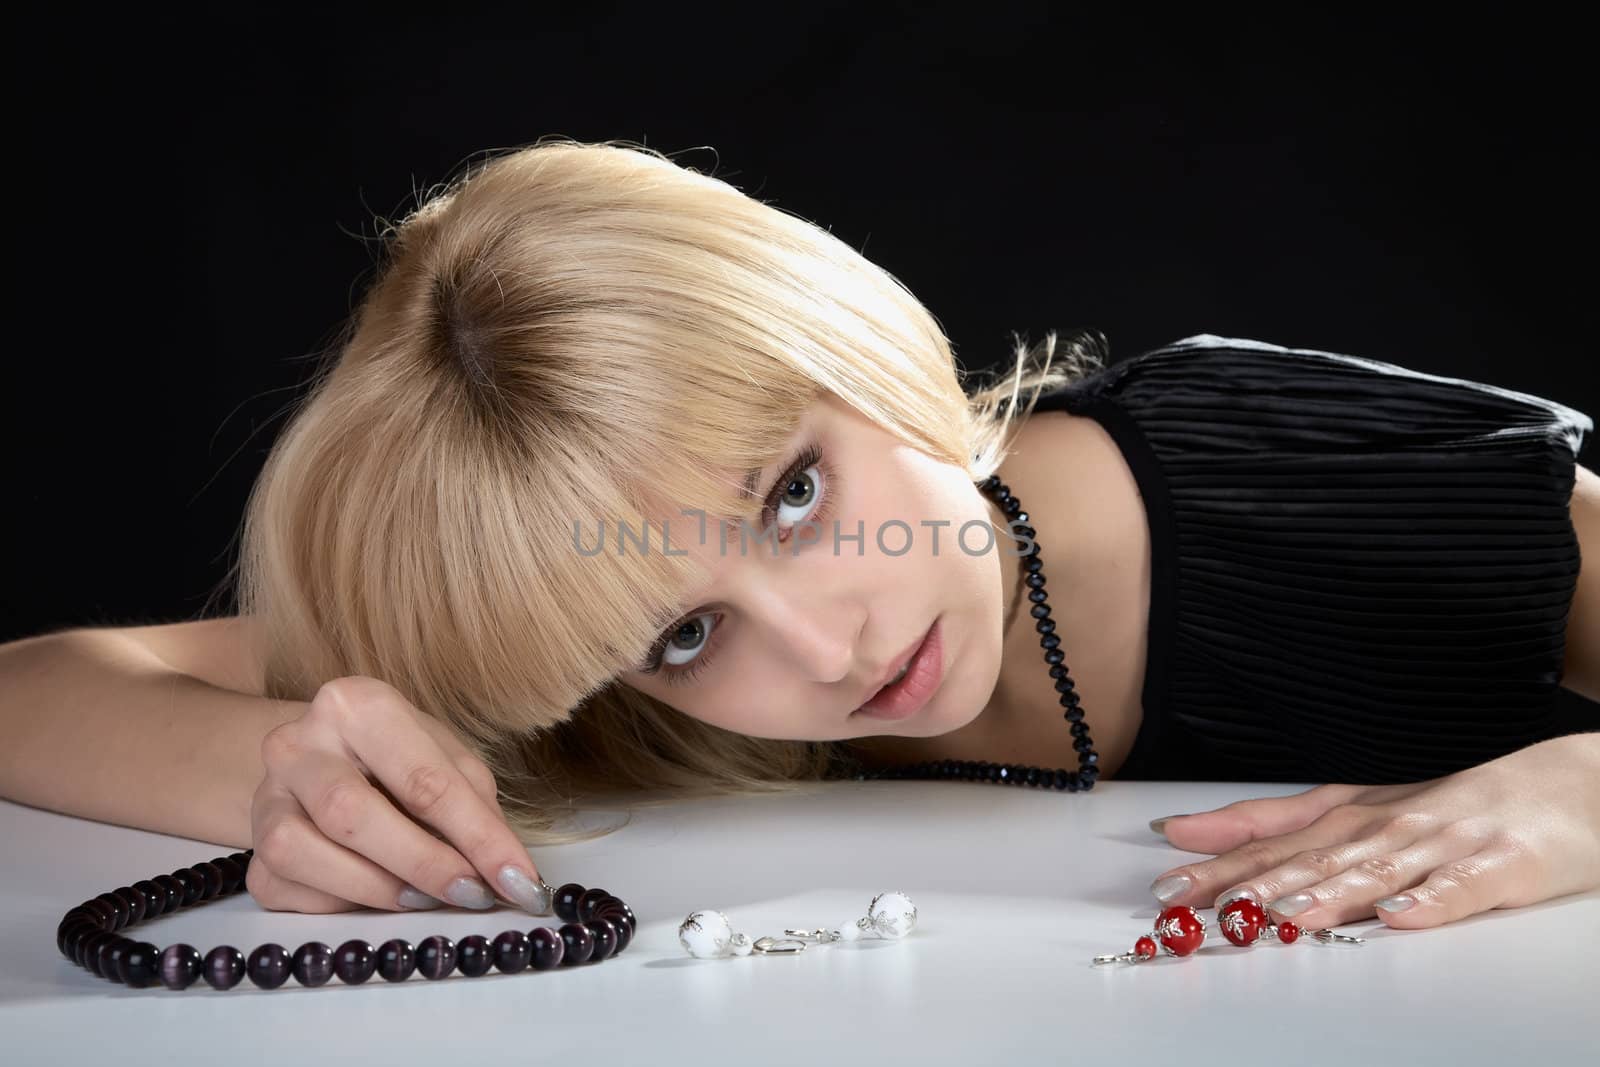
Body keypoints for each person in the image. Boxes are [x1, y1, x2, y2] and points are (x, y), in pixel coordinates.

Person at [2, 138, 1596, 933]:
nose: (834, 643)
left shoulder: (1319, 480)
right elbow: (32, 685)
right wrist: (283, 770)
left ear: (852, 339)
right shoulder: (609, 685)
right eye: (685, 634)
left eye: (793, 491)